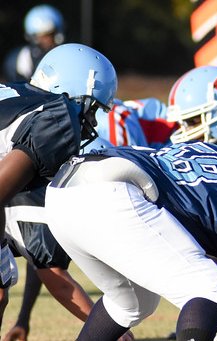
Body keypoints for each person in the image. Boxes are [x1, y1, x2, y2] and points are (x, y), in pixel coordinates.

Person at [47, 126, 217, 340]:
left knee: (132, 301)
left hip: (63, 191)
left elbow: (201, 253)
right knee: (213, 290)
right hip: (111, 191)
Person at [0, 43, 117, 327]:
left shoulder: (16, 93)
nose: (90, 122)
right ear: (74, 92)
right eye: (91, 109)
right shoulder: (58, 116)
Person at [3, 139, 134, 341]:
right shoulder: (39, 212)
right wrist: (111, 330)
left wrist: (23, 319)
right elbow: (59, 282)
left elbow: (38, 261)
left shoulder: (48, 198)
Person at [3, 5, 64, 82]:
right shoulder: (21, 58)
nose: (47, 40)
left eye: (50, 34)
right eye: (41, 36)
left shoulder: (66, 54)